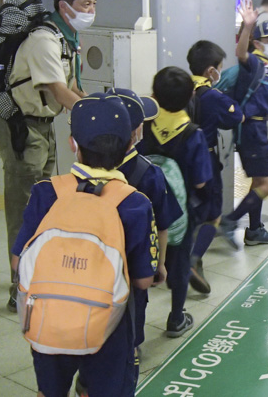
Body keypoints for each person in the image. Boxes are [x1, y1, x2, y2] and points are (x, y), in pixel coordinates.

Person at [11, 94, 158, 397]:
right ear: (130, 143)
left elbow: (17, 261)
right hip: (108, 327)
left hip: (48, 321)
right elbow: (144, 279)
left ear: (72, 143)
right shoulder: (135, 203)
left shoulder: (45, 193)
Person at [2, 0, 97, 312]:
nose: (91, 10)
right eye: (85, 4)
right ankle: (19, 286)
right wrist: (90, 115)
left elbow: (73, 87)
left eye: (94, 4)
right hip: (21, 125)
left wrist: (94, 104)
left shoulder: (67, 37)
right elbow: (57, 90)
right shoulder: (44, 40)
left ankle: (34, 270)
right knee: (25, 204)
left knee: (45, 200)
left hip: (42, 124)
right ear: (63, 6)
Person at [139, 67, 213, 337]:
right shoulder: (193, 133)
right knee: (180, 264)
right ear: (190, 97)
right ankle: (176, 318)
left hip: (145, 213)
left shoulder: (145, 126)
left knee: (141, 261)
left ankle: (136, 325)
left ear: (154, 95)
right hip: (179, 215)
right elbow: (201, 182)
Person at [108, 88, 182, 349]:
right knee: (130, 325)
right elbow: (162, 226)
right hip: (134, 268)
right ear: (135, 131)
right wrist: (159, 265)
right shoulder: (150, 174)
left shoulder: (85, 171)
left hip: (95, 266)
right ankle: (128, 359)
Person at [220, 0, 268, 247]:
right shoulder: (255, 62)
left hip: (258, 126)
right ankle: (231, 221)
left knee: (258, 182)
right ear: (258, 44)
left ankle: (255, 229)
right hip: (250, 131)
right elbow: (240, 53)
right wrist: (247, 26)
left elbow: (259, 98)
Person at [187, 41, 244, 292]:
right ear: (212, 71)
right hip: (206, 161)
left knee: (187, 212)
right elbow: (236, 117)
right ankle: (192, 259)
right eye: (220, 68)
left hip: (179, 160)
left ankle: (176, 260)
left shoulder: (180, 89)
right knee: (212, 215)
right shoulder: (212, 96)